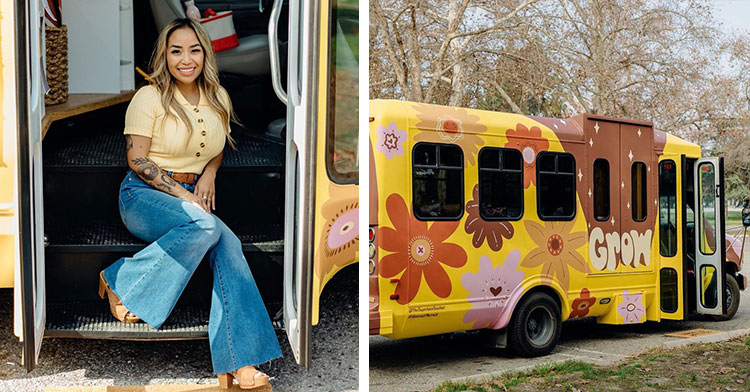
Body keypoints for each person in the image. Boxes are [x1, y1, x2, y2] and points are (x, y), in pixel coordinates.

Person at [96, 18, 281, 390]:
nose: (186, 59)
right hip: (144, 195)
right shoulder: (149, 97)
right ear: (164, 55)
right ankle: (121, 279)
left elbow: (215, 148)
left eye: (194, 50)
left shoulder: (219, 98)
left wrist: (209, 174)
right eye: (176, 50)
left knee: (229, 245)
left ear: (205, 54)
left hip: (192, 192)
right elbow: (138, 160)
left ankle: (240, 363)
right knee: (207, 226)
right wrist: (186, 196)